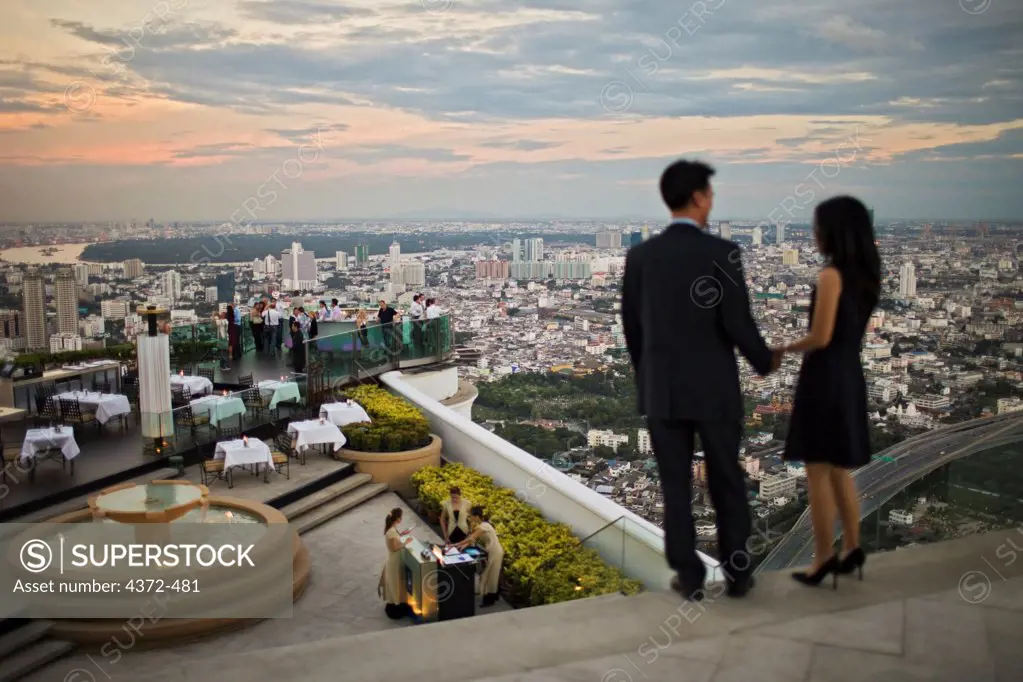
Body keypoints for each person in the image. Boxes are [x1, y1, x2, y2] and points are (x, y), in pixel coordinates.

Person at [621, 159, 779, 601]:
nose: (712, 200)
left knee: (675, 485)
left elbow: (633, 330)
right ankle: (737, 570)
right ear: (696, 197)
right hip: (714, 388)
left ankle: (689, 575)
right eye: (709, 193)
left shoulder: (641, 257)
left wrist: (648, 375)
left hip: (663, 390)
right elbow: (737, 323)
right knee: (726, 478)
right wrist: (763, 360)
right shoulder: (721, 254)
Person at [778, 196, 880, 588]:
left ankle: (822, 557)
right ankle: (852, 546)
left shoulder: (830, 276)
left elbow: (820, 337)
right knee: (840, 471)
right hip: (849, 373)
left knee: (817, 471)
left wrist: (783, 349)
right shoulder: (867, 275)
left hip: (823, 378)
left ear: (832, 232)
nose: (813, 234)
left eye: (817, 227)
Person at [452, 506, 504, 607]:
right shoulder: (482, 525)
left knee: (488, 575)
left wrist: (455, 545)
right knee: (492, 574)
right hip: (493, 550)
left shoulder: (483, 526)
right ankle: (493, 597)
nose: (469, 518)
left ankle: (488, 600)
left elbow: (471, 537)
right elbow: (472, 539)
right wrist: (462, 546)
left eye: (471, 516)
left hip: (494, 551)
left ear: (476, 516)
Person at [378, 508, 413, 619]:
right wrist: (405, 543)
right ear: (398, 519)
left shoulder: (392, 529)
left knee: (396, 582)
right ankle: (395, 606)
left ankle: (397, 602)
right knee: (394, 583)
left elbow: (395, 540)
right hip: (394, 561)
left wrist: (402, 534)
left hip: (395, 560)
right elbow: (394, 547)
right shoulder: (392, 532)